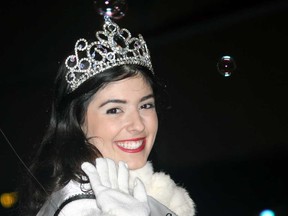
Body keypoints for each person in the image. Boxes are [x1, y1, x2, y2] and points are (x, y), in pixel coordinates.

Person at [18, 16, 196, 216]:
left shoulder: (148, 192)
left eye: (145, 105)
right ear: (77, 121)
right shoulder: (79, 207)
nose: (137, 125)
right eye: (114, 110)